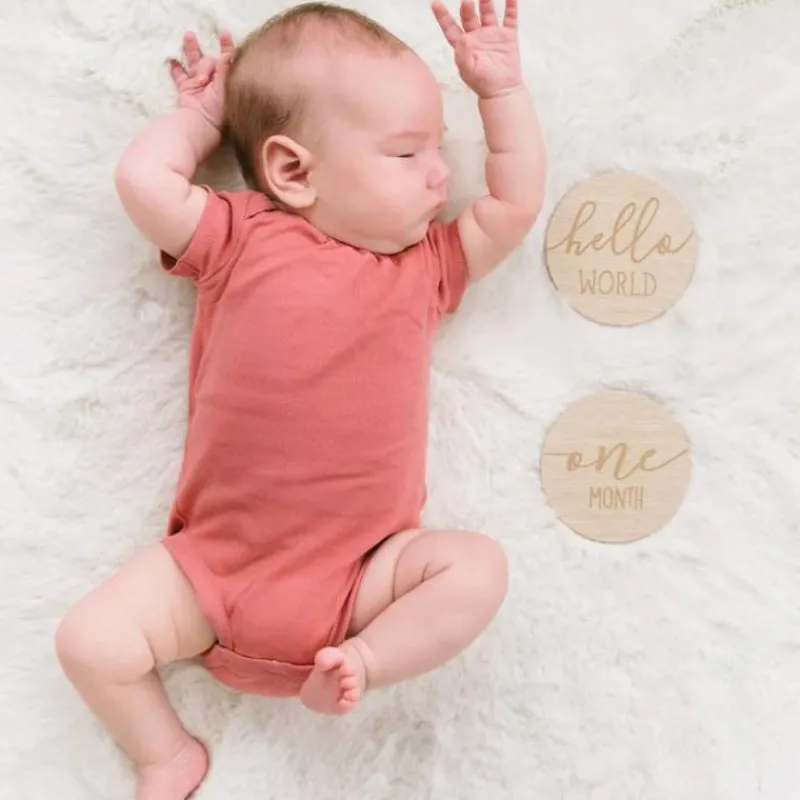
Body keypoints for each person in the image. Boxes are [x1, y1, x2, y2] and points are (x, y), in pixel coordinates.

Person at [55, 1, 545, 798]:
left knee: (477, 569)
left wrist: (501, 92)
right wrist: (201, 118)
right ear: (293, 172)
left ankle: (366, 663)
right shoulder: (240, 237)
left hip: (361, 578)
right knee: (88, 643)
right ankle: (165, 754)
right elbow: (143, 180)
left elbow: (513, 205)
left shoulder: (424, 267)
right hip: (212, 572)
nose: (440, 174)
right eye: (407, 152)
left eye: (437, 149)